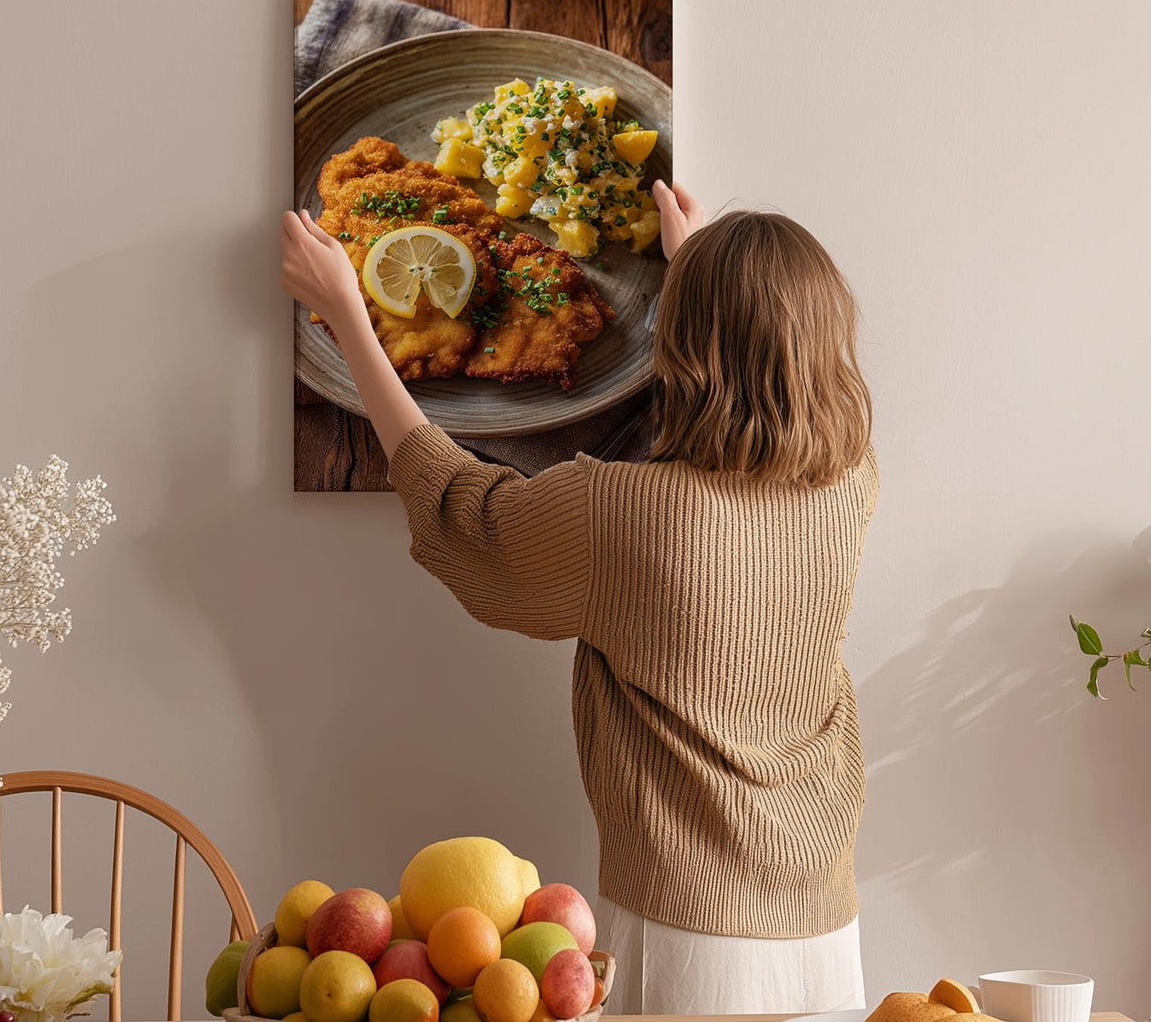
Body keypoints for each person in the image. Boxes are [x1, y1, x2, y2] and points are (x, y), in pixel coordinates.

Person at [280, 179, 877, 1014]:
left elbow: (460, 509)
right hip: (824, 914)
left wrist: (348, 312)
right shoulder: (848, 484)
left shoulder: (619, 513)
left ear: (681, 339)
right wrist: (696, 271)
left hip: (687, 926)